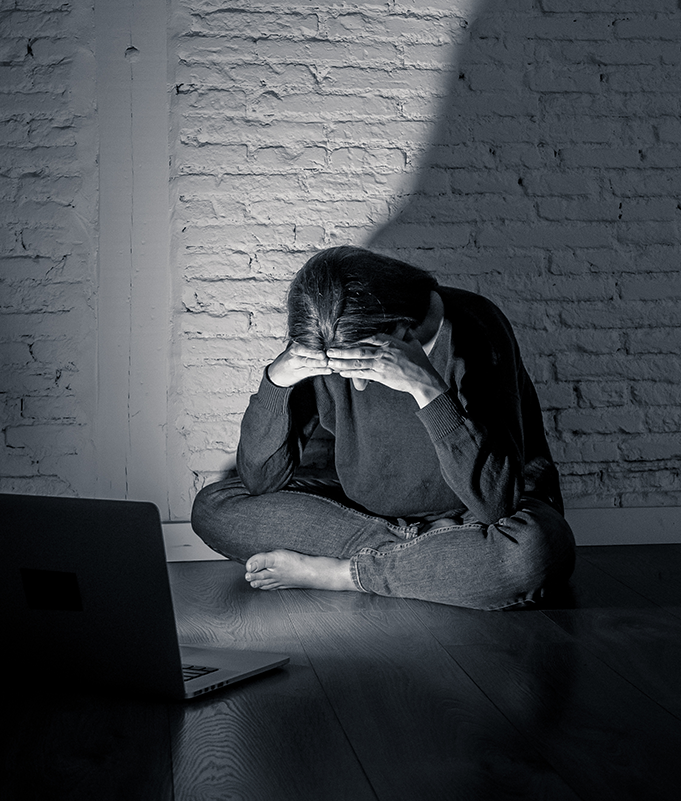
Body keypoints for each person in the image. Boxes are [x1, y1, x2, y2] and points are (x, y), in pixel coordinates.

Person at [190, 246, 575, 610]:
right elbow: (261, 481)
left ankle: (345, 574)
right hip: (365, 515)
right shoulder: (333, 332)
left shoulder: (475, 327)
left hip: (480, 515)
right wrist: (277, 380)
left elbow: (496, 501)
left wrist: (425, 387)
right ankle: (426, 560)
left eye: (360, 365)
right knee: (215, 507)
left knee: (532, 552)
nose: (353, 382)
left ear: (403, 331)